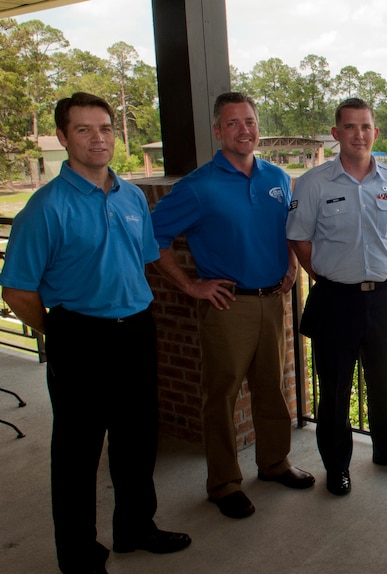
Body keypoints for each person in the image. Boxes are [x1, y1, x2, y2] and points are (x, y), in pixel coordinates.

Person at [0, 92, 191, 573]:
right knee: (77, 453)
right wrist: (60, 332)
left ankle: (135, 528)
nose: (97, 138)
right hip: (79, 336)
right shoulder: (45, 208)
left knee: (137, 438)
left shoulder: (131, 196)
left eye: (104, 128)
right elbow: (17, 290)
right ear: (63, 138)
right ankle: (80, 555)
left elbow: (143, 260)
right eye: (83, 129)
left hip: (136, 332)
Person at [151, 92, 315, 520]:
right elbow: (152, 238)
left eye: (250, 121)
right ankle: (223, 483)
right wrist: (191, 286)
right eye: (233, 123)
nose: (244, 129)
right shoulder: (198, 186)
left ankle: (274, 463)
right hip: (228, 306)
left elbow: (289, 228)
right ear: (218, 131)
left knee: (272, 388)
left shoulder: (276, 177)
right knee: (221, 396)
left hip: (272, 301)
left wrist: (293, 261)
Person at [287, 97, 387, 496]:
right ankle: (337, 466)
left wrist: (377, 269)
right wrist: (327, 276)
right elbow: (299, 237)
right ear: (335, 134)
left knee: (384, 380)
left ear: (375, 132)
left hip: (383, 298)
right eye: (349, 127)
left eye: (365, 127)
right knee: (334, 390)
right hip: (335, 300)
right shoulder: (314, 183)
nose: (358, 134)